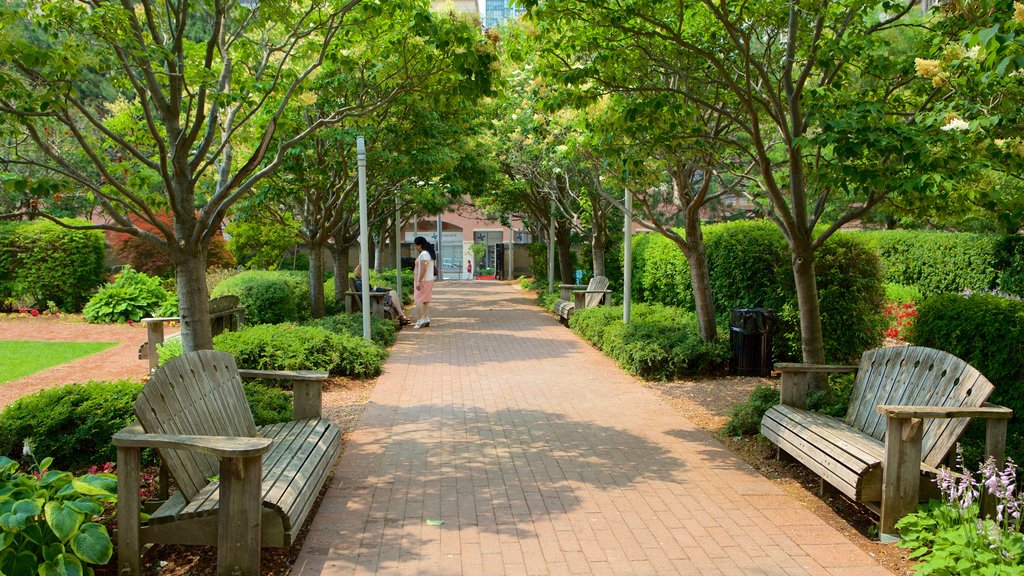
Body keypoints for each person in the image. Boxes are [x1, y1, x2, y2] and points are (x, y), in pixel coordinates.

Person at [412, 236, 436, 329]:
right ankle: (426, 319)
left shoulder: (424, 254)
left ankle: (419, 320)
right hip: (428, 280)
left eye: (416, 245)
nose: (416, 247)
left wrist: (419, 280)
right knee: (425, 300)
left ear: (419, 245)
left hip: (423, 281)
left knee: (419, 300)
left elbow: (424, 267)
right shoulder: (428, 253)